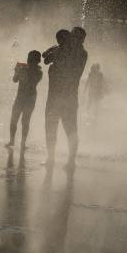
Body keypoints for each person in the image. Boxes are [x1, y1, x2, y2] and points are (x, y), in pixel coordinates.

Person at [45, 26, 88, 166]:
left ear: (78, 39)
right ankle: (70, 160)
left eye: (72, 36)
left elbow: (46, 58)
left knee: (52, 126)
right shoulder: (82, 53)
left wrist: (55, 47)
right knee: (70, 129)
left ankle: (52, 158)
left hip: (57, 96)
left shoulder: (63, 51)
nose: (70, 38)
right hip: (69, 97)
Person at [7, 51, 43, 149]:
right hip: (24, 97)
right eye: (29, 58)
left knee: (25, 121)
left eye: (31, 58)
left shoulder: (39, 72)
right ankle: (12, 141)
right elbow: (14, 80)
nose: (28, 60)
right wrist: (17, 71)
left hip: (28, 98)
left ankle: (22, 143)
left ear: (36, 61)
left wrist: (20, 70)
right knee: (14, 119)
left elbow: (30, 83)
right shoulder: (28, 70)